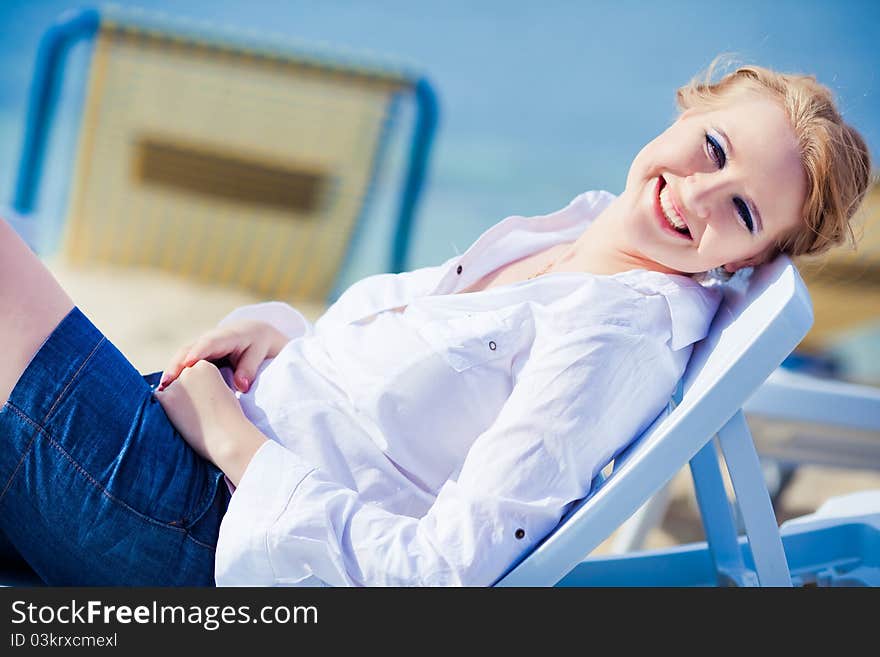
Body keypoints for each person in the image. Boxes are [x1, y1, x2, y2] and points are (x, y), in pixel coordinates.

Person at [0, 57, 872, 586]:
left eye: (744, 212)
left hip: (204, 536)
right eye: (713, 149)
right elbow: (410, 403)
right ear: (690, 106)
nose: (699, 193)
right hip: (190, 461)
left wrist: (238, 446)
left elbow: (444, 574)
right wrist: (285, 333)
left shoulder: (616, 337)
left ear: (742, 263)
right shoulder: (576, 230)